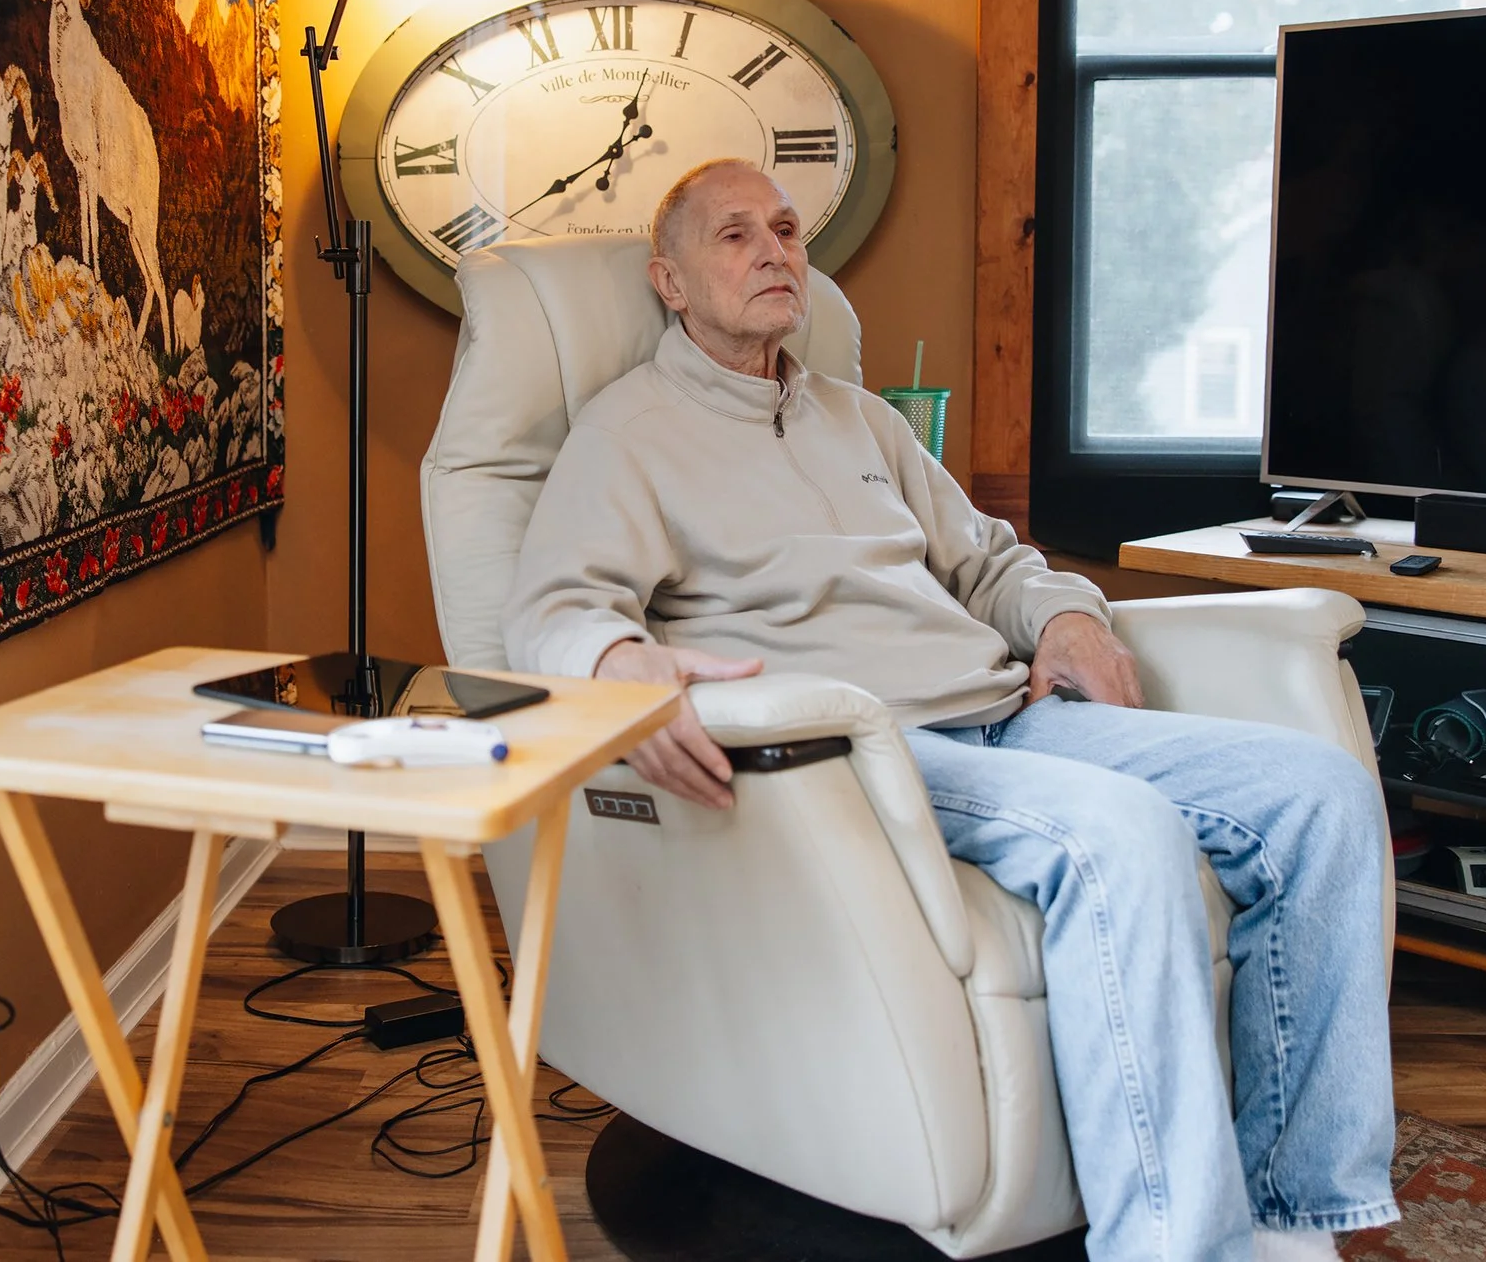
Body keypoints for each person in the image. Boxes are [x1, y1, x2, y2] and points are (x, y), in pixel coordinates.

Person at [503, 160, 1397, 1262]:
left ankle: (1290, 1210)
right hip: (870, 748)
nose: (776, 250)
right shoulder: (626, 432)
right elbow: (551, 608)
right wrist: (621, 657)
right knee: (1122, 838)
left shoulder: (860, 419)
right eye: (735, 235)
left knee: (1320, 795)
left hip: (1006, 713)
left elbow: (987, 562)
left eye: (785, 229)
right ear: (669, 280)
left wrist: (1066, 617)